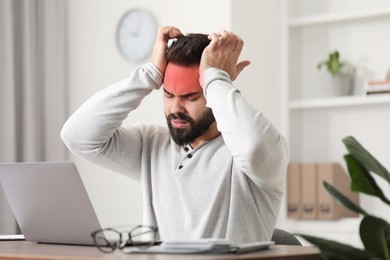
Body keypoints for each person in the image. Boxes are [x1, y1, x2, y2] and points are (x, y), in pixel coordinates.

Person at [61, 26, 289, 244]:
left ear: (211, 93)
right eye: (169, 95)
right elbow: (77, 136)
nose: (175, 108)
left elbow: (255, 148)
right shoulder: (151, 145)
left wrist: (216, 79)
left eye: (191, 97)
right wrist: (149, 74)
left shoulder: (253, 154)